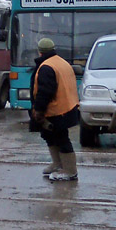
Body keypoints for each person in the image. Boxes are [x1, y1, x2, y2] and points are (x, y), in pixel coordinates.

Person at [29, 37, 81, 182]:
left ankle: (70, 170)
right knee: (49, 136)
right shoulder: (61, 62)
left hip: (56, 110)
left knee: (61, 138)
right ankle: (58, 164)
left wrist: (38, 111)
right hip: (66, 107)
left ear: (39, 52)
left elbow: (45, 92)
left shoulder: (47, 67)